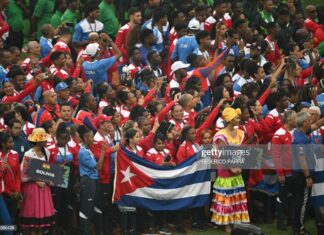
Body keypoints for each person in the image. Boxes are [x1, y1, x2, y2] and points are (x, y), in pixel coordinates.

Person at [211, 107, 249, 233]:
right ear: (230, 119)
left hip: (237, 166)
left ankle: (236, 221)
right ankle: (226, 223)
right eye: (237, 117)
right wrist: (232, 168)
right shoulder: (221, 135)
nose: (239, 119)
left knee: (236, 196)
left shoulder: (239, 132)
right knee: (226, 197)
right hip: (226, 168)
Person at [19, 128, 55, 234]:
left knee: (41, 224)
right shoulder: (29, 154)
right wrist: (36, 180)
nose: (46, 141)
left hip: (45, 189)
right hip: (33, 189)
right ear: (38, 141)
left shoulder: (47, 153)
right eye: (44, 139)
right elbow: (24, 174)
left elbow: (48, 170)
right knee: (33, 222)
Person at [47, 122, 78, 234]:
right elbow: (45, 166)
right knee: (57, 204)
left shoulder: (71, 149)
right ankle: (55, 227)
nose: (64, 141)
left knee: (67, 203)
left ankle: (65, 226)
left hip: (69, 178)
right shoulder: (50, 149)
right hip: (56, 177)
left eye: (66, 139)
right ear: (56, 137)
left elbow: (76, 163)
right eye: (62, 139)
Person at [77, 124, 107, 235]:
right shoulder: (83, 152)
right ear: (85, 138)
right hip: (87, 181)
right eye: (90, 137)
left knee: (92, 207)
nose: (93, 139)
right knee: (86, 208)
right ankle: (84, 231)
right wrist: (103, 151)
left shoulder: (87, 150)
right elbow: (98, 167)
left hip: (92, 181)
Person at [271, 110, 297, 231]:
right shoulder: (279, 134)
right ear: (289, 120)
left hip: (296, 171)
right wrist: (280, 173)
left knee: (293, 197)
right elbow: (276, 155)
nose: (297, 120)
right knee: (282, 198)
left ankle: (291, 220)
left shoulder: (296, 132)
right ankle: (281, 222)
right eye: (295, 118)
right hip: (285, 172)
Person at [0, 133, 21, 234]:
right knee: (6, 222)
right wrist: (8, 192)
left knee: (10, 221)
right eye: (10, 142)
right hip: (3, 194)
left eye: (13, 141)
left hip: (14, 194)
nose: (13, 144)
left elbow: (17, 174)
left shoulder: (15, 154)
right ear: (3, 144)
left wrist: (17, 190)